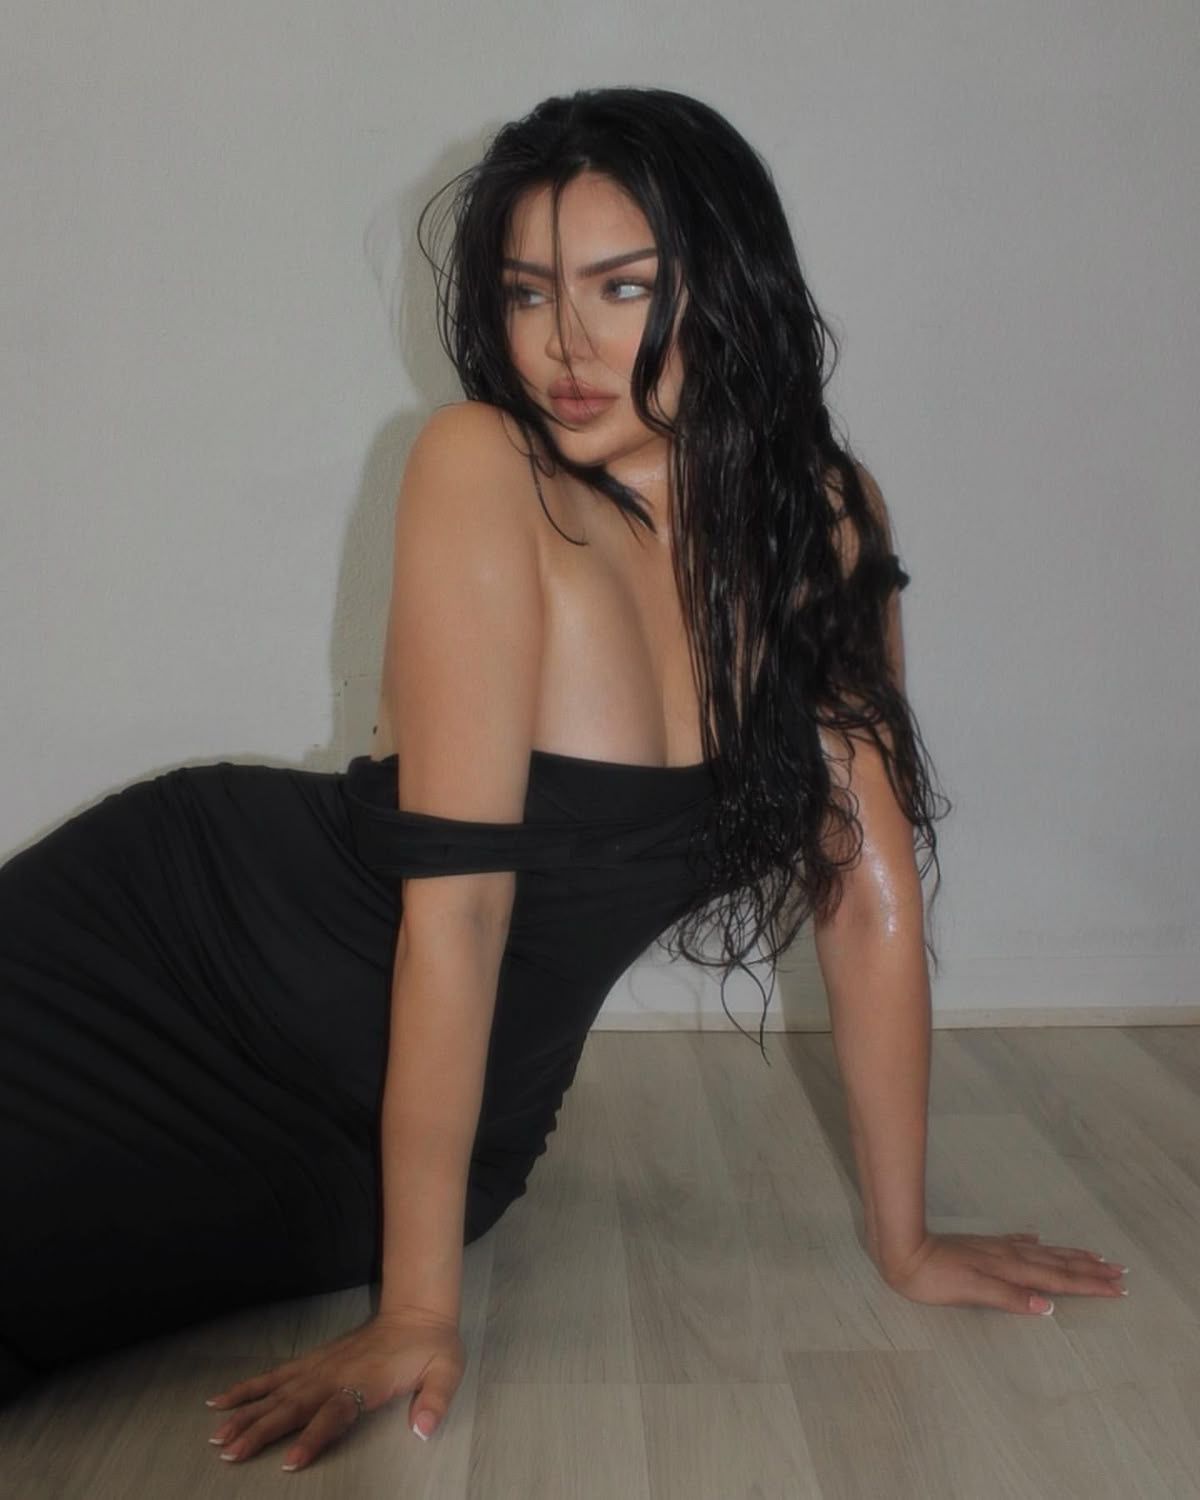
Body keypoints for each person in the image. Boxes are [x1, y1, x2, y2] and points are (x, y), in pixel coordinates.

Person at [0, 85, 1127, 1470]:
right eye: (529, 293)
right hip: (164, 962)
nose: (564, 345)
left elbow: (868, 887)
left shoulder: (825, 521)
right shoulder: (483, 468)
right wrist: (418, 1310)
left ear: (731, 291)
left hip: (434, 1134)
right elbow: (461, 910)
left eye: (621, 288)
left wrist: (907, 1240)